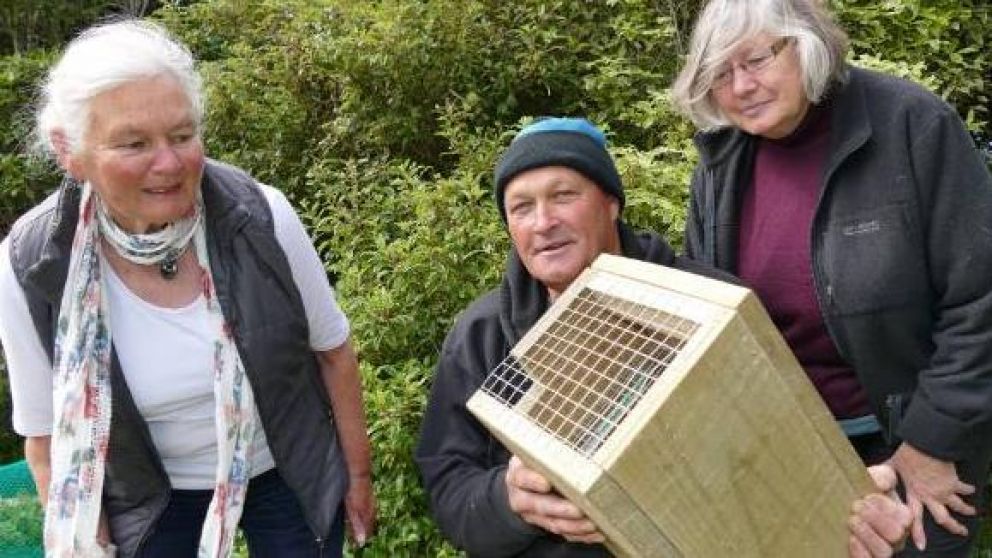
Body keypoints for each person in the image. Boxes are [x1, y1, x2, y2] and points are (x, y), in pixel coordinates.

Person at [414, 117, 911, 557]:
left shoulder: (710, 301)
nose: (543, 222)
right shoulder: (481, 337)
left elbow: (792, 450)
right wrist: (508, 501)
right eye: (521, 207)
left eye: (563, 195)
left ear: (610, 204)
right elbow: (450, 486)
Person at [0, 20, 374, 557]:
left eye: (182, 135)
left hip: (286, 467)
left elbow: (333, 353)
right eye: (134, 143)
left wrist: (357, 476)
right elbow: (42, 436)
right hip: (149, 496)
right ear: (70, 152)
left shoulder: (261, 216)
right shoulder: (32, 263)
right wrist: (90, 539)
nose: (170, 163)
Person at [671, 1, 992, 556]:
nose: (741, 86)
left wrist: (931, 445)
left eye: (755, 60)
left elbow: (980, 300)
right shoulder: (722, 164)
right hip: (781, 456)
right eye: (720, 72)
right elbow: (712, 314)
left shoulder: (911, 125)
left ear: (807, 43)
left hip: (909, 452)